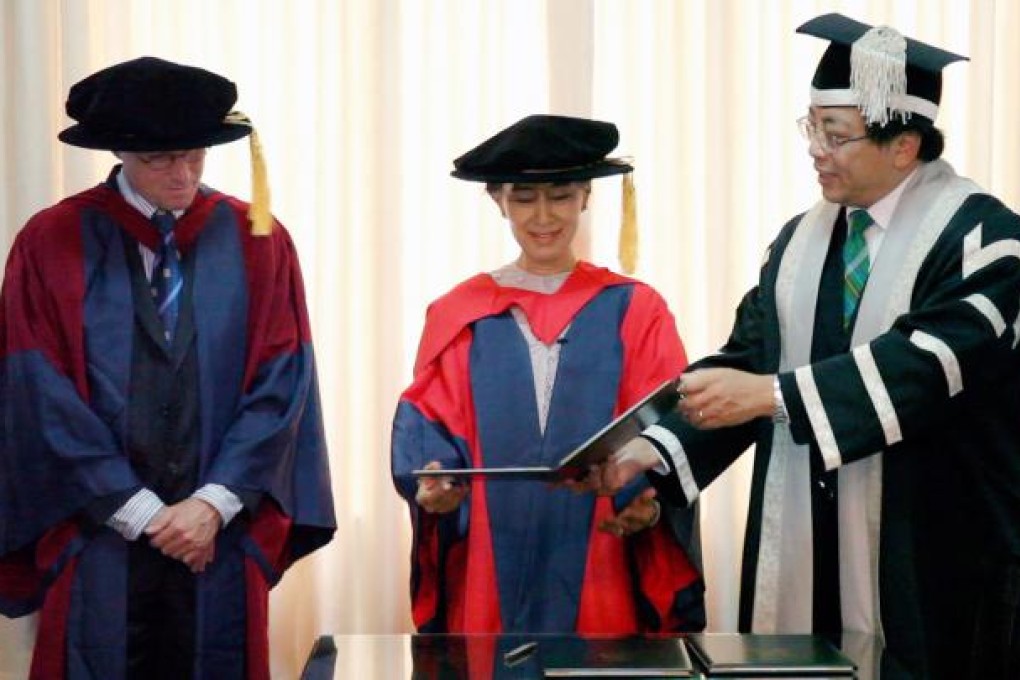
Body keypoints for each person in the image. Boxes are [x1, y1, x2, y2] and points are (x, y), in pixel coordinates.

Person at [588, 13, 1020, 680]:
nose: (816, 148)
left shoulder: (984, 240)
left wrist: (770, 396)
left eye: (836, 134)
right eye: (811, 127)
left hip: (935, 542)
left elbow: (928, 365)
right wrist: (648, 450)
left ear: (904, 145)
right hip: (808, 543)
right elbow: (750, 357)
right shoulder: (800, 243)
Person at [0, 56, 336, 680]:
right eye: (160, 160)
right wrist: (141, 511)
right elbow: (35, 391)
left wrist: (213, 503)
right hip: (97, 529)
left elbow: (282, 384)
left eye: (195, 155)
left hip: (219, 535)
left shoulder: (257, 238)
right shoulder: (52, 241)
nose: (182, 175)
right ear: (121, 152)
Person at [390, 114, 705, 636]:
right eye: (523, 198)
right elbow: (430, 423)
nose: (543, 217)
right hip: (490, 556)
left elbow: (669, 423)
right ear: (498, 201)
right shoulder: (460, 312)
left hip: (600, 552)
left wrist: (644, 502)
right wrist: (433, 481)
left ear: (586, 196)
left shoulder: (636, 309)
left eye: (560, 196)